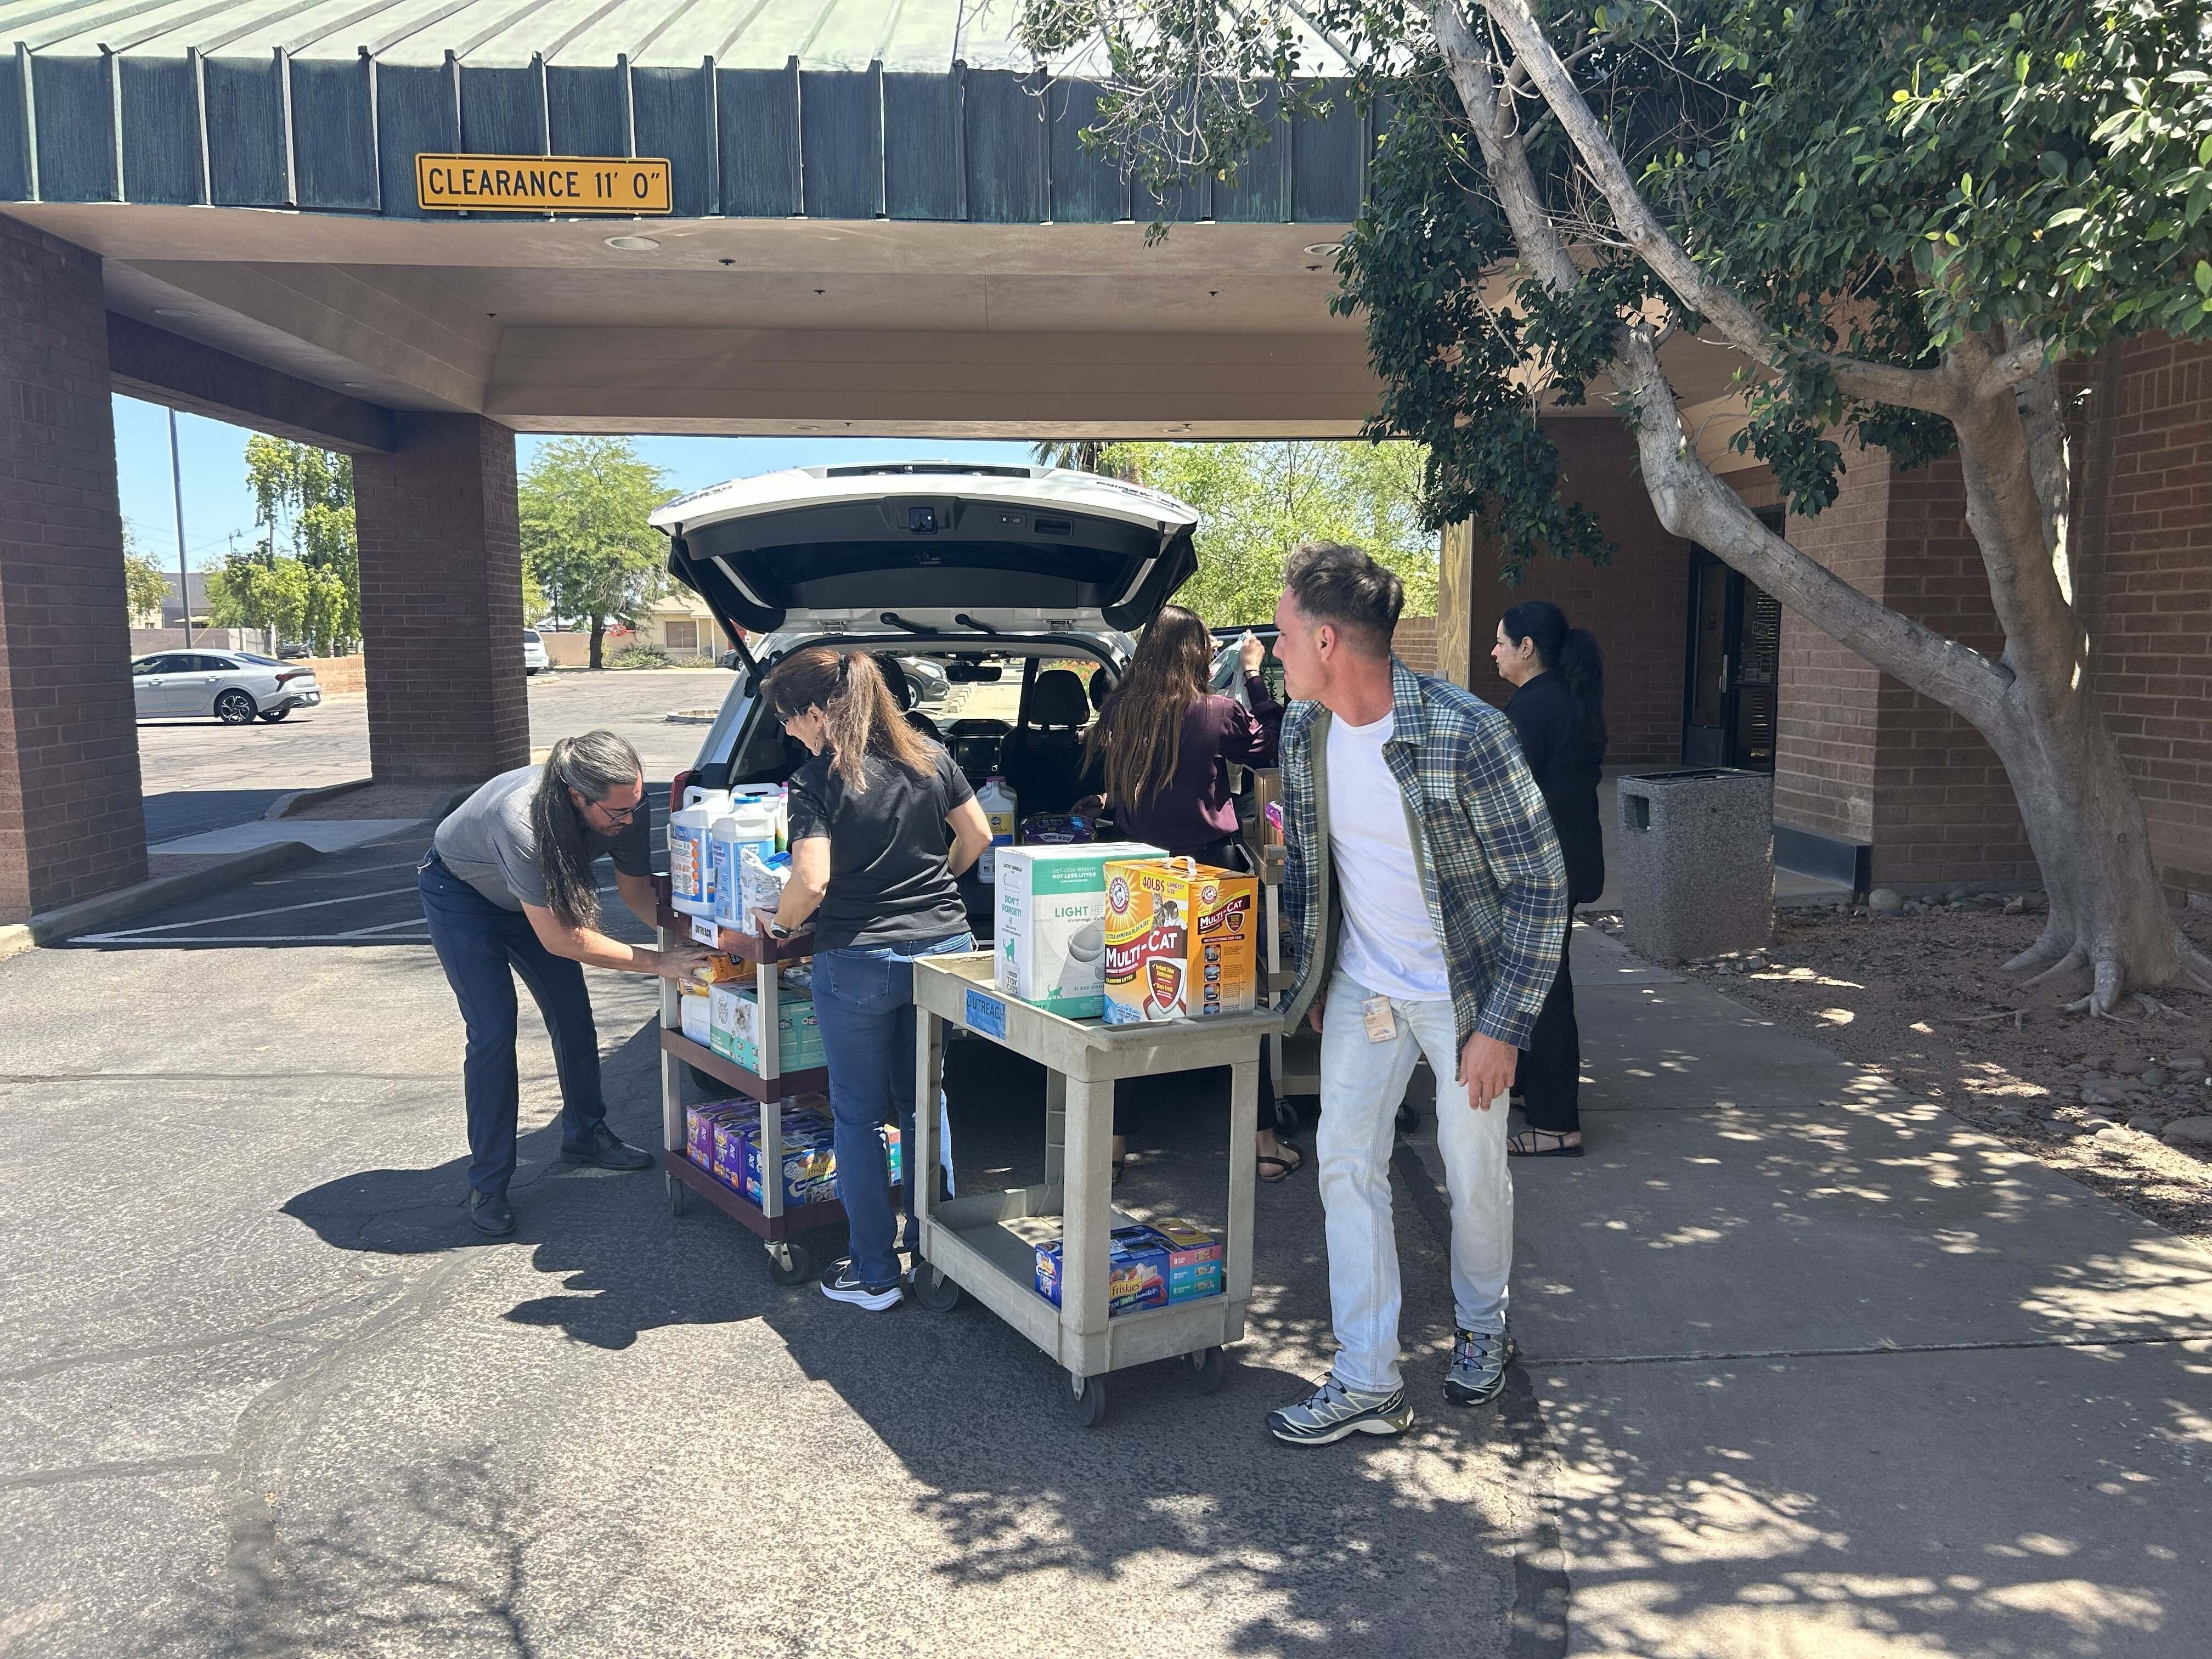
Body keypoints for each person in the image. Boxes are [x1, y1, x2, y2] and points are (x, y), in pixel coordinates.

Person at [1265, 543, 1567, 1446]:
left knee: (1473, 1166)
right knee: (1342, 1161)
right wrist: (1315, 972)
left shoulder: (1465, 731)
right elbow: (1310, 864)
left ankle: (1482, 1325)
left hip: (1463, 991)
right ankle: (1367, 1375)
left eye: (1281, 636)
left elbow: (1541, 887)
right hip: (1364, 982)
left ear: (1326, 639)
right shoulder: (1301, 728)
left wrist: (1502, 1026)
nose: (1273, 652)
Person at [759, 646, 992, 1312]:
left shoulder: (817, 781)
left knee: (857, 1118)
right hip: (942, 949)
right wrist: (932, 886)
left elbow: (811, 880)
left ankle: (874, 1273)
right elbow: (975, 836)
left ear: (813, 712)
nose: (789, 733)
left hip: (859, 956)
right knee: (927, 1099)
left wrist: (779, 925)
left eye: (789, 720)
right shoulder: (930, 756)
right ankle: (935, 1252)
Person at [420, 731, 711, 1237]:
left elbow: (637, 891)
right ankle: (488, 1182)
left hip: (536, 904)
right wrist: (658, 963)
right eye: (616, 814)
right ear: (577, 796)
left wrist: (694, 945)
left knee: (574, 1017)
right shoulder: (523, 821)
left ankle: (586, 1136)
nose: (627, 822)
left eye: (635, 808)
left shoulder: (626, 803)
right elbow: (561, 939)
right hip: (464, 897)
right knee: (492, 1031)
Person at [1082, 605, 1301, 1182]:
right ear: (1197, 653)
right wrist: (1254, 674)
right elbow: (1269, 746)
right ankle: (1263, 1143)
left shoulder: (1120, 710)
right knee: (1235, 1001)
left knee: (1130, 1007)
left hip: (1137, 875)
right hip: (1210, 874)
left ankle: (1113, 1145)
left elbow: (1128, 783)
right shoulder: (1215, 711)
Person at [1493, 601, 1607, 1157]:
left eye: (1500, 642)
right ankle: (1531, 1088)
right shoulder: (1564, 696)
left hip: (1543, 870)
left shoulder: (1536, 708)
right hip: (1567, 862)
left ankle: (1557, 1122)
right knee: (1539, 983)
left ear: (1527, 648)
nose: (1494, 651)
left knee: (1546, 990)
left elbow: (1504, 797)